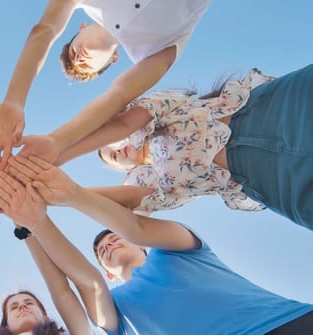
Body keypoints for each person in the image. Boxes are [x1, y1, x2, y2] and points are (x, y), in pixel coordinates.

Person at [0, 155, 313, 335]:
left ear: (142, 249)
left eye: (113, 238)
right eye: (102, 250)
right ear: (107, 270)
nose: (109, 244)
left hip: (286, 325)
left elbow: (137, 226)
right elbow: (86, 282)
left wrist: (72, 195)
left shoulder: (181, 251)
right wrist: (36, 221)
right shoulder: (117, 310)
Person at [57, 64, 313, 230]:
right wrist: (64, 191)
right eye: (113, 157)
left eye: (110, 144)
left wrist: (58, 152)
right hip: (269, 177)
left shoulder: (154, 111)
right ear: (123, 168)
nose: (117, 150)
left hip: (270, 110)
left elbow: (124, 123)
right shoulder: (149, 182)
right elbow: (129, 198)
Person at [0, 0, 211, 167]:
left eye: (73, 51)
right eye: (86, 66)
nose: (78, 59)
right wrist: (56, 142)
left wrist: (14, 101)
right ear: (113, 59)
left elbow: (46, 29)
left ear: (81, 27)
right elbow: (118, 96)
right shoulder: (154, 51)